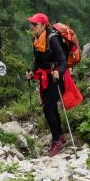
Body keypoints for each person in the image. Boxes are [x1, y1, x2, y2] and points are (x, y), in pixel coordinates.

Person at [26, 13, 68, 156]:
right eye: (31, 24)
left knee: (47, 108)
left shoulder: (52, 39)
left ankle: (56, 141)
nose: (32, 27)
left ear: (43, 25)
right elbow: (37, 61)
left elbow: (62, 60)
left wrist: (59, 72)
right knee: (52, 107)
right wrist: (32, 72)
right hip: (45, 79)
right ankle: (61, 136)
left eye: (35, 24)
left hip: (56, 78)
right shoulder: (36, 39)